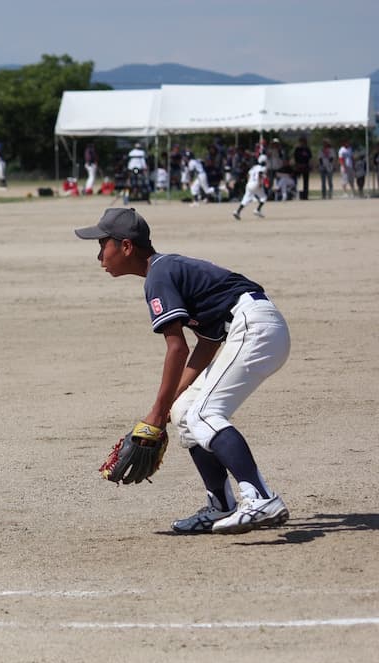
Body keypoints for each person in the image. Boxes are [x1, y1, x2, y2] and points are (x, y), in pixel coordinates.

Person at [75, 208, 290, 534]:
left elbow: (178, 348)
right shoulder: (165, 269)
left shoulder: (159, 275)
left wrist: (155, 414)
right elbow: (205, 343)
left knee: (204, 413)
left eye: (103, 244)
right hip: (256, 326)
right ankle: (220, 506)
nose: (98, 255)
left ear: (126, 247)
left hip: (253, 326)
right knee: (186, 409)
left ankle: (260, 497)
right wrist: (169, 404)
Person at [232, 154, 269, 220]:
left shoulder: (254, 167)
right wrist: (260, 183)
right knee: (263, 197)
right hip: (256, 183)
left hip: (249, 184)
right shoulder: (264, 168)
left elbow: (248, 174)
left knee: (245, 199)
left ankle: (237, 211)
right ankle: (257, 210)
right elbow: (260, 174)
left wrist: (248, 182)